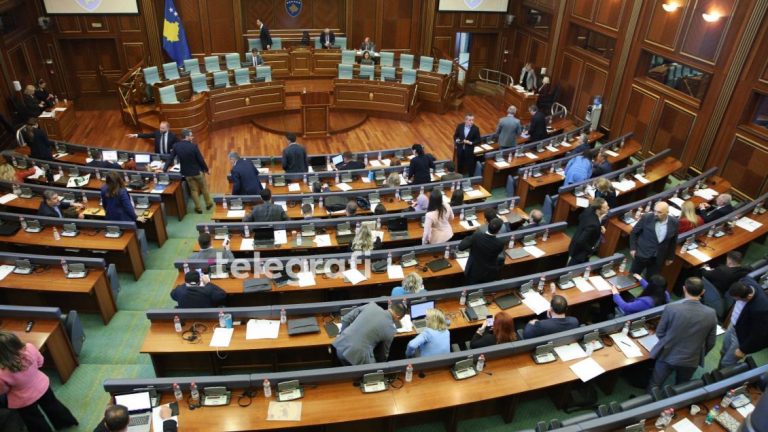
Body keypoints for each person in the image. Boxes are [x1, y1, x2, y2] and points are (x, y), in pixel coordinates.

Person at [0, 331, 78, 432]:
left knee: (34, 419)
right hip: (42, 386)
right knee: (53, 405)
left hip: (23, 399)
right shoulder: (30, 348)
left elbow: (3, 390)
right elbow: (40, 362)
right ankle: (65, 422)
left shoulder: (2, 372)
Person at [649, 277, 716, 389]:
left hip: (668, 355)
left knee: (655, 384)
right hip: (691, 359)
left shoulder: (671, 308)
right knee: (682, 387)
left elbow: (660, 332)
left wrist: (668, 342)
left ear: (684, 289)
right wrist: (697, 354)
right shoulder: (711, 313)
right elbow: (711, 342)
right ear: (703, 292)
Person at [332, 301, 406, 365]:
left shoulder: (371, 306)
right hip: (357, 357)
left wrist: (344, 335)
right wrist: (380, 366)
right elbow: (383, 354)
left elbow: (346, 318)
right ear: (398, 317)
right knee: (374, 371)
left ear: (390, 307)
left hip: (340, 346)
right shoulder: (391, 330)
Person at [719, 278, 768, 368]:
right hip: (732, 326)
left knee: (727, 363)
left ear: (748, 297)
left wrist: (743, 349)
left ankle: (721, 375)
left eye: (738, 300)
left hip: (742, 335)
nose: (736, 301)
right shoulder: (745, 281)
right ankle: (717, 372)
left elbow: (759, 334)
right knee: (723, 351)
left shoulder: (761, 309)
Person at [163, 129, 212, 213]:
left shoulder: (176, 146)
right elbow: (200, 160)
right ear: (186, 137)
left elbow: (170, 158)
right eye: (191, 136)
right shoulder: (193, 146)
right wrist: (206, 169)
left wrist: (164, 169)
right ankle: (208, 204)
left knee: (193, 190)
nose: (192, 137)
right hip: (198, 172)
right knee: (204, 188)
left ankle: (198, 208)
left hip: (187, 173)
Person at [629, 201, 679, 277]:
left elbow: (673, 241)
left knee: (651, 280)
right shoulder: (647, 217)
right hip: (642, 253)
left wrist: (670, 257)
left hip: (658, 257)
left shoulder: (674, 222)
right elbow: (634, 232)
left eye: (659, 212)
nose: (655, 214)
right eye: (655, 211)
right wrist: (633, 248)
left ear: (667, 212)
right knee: (632, 277)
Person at [700, 251, 750, 319]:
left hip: (718, 290)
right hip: (728, 292)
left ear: (729, 261)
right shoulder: (745, 270)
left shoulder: (722, 271)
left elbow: (706, 274)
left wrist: (704, 268)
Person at [459, 218, 505, 284]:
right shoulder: (500, 244)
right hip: (489, 273)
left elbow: (461, 247)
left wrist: (469, 238)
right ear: (498, 231)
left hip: (474, 271)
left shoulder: (477, 236)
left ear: (487, 225)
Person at [568, 197, 608, 265]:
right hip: (580, 253)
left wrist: (598, 226)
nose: (608, 208)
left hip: (575, 243)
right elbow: (581, 241)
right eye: (605, 207)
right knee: (572, 268)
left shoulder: (589, 209)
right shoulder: (594, 225)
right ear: (598, 210)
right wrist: (591, 249)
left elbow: (580, 217)